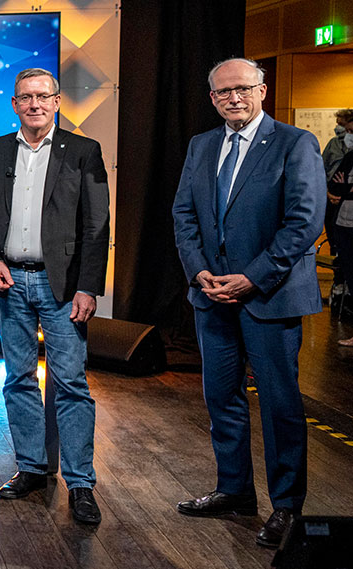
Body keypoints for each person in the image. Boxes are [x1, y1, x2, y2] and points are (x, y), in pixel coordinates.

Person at [171, 58, 324, 549]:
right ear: (212, 98)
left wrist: (250, 278)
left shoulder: (295, 143)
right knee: (222, 400)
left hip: (270, 297)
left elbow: (304, 222)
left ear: (262, 89)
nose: (233, 98)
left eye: (242, 89)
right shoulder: (202, 145)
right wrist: (200, 273)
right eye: (222, 93)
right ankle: (234, 490)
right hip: (211, 295)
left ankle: (286, 507)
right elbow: (184, 214)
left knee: (280, 406)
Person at [0, 68, 111, 525]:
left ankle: (81, 483)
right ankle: (31, 468)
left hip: (62, 286)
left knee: (70, 383)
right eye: (25, 97)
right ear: (14, 104)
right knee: (18, 378)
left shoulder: (84, 152)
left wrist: (88, 285)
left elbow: (95, 226)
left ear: (57, 101)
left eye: (43, 97)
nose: (34, 105)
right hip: (10, 283)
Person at [323, 109, 353, 307]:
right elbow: (323, 170)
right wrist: (330, 192)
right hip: (335, 206)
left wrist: (344, 190)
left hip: (347, 207)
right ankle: (339, 284)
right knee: (340, 251)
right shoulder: (334, 145)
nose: (343, 132)